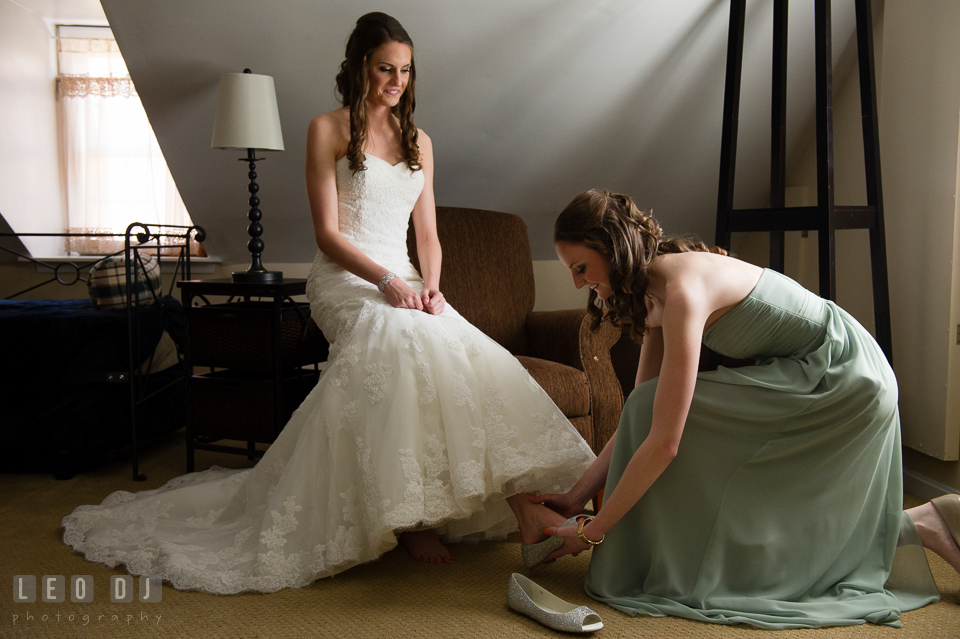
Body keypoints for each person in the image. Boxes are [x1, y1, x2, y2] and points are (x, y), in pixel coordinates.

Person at [61, 12, 593, 593]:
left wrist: (432, 287)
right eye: (386, 68)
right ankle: (413, 521)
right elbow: (328, 235)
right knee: (400, 339)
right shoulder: (327, 129)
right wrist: (389, 283)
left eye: (406, 71)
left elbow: (430, 236)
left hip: (410, 280)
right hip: (347, 277)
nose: (397, 82)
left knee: (466, 350)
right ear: (361, 66)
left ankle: (519, 510)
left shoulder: (422, 142)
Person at [533, 188, 957, 629]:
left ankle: (918, 527)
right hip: (805, 372)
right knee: (647, 409)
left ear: (613, 249)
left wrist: (594, 529)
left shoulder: (682, 290)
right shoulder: (653, 297)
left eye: (581, 268)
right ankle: (925, 524)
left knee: (673, 435)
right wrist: (573, 498)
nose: (578, 283)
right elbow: (639, 422)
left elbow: (663, 443)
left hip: (843, 376)